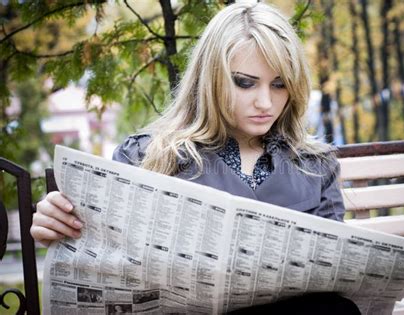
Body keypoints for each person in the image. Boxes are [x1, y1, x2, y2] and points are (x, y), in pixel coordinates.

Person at [31, 2, 359, 314]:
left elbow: (333, 278)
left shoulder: (315, 165)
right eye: (245, 83)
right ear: (210, 79)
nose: (265, 102)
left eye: (279, 84)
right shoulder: (147, 157)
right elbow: (101, 257)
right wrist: (56, 223)